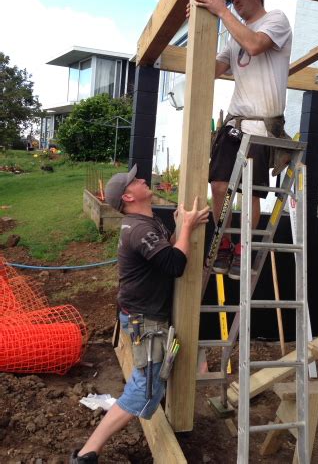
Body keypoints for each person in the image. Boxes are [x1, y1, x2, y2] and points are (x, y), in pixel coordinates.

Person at [70, 164, 209, 464]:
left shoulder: (147, 223)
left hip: (143, 316)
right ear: (129, 196)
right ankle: (85, 455)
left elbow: (162, 257)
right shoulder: (140, 229)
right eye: (136, 180)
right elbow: (174, 265)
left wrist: (176, 228)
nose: (143, 179)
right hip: (145, 320)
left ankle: (87, 453)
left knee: (146, 384)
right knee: (145, 392)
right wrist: (186, 228)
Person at [190, 0, 292, 280]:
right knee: (219, 185)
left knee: (250, 193)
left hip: (262, 125)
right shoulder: (234, 34)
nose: (233, 1)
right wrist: (201, 23)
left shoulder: (276, 19)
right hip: (236, 121)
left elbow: (255, 45)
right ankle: (222, 243)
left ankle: (243, 249)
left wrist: (221, 11)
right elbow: (211, 70)